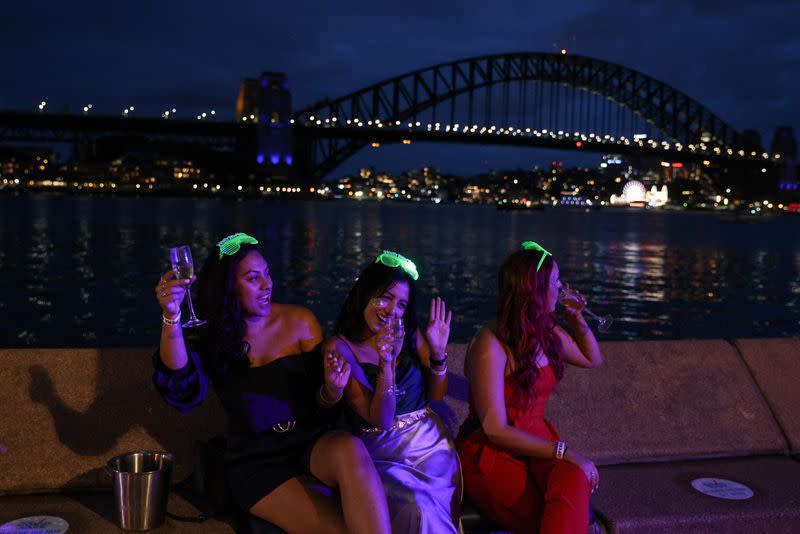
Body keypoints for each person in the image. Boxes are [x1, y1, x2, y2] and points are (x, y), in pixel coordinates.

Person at [152, 232, 390, 534]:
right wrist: (171, 315)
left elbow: (324, 404)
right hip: (258, 461)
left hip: (312, 443)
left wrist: (332, 390)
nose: (267, 285)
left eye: (267, 274)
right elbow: (181, 389)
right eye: (253, 279)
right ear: (228, 287)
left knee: (350, 446)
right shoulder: (213, 336)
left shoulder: (301, 321)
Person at [456, 241, 603, 534]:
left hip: (538, 440)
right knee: (555, 516)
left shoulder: (548, 333)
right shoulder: (490, 345)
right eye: (555, 282)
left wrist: (577, 319)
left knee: (573, 482)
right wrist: (565, 452)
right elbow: (495, 429)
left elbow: (592, 359)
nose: (562, 288)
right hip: (494, 450)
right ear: (533, 291)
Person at [324, 250, 460, 534]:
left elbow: (436, 395)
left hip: (429, 446)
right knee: (419, 507)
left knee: (426, 505)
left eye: (401, 305)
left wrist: (438, 354)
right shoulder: (341, 348)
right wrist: (387, 362)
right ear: (364, 293)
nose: (391, 310)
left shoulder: (409, 335)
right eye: (384, 297)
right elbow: (381, 420)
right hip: (379, 452)